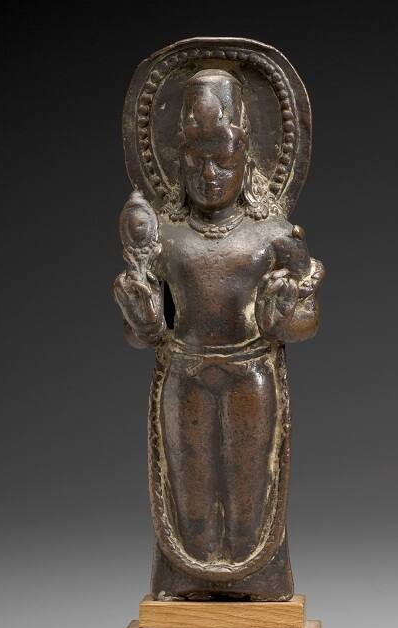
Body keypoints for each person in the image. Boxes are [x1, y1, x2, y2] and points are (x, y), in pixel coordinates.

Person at [114, 69, 324, 600]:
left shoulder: (273, 236)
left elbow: (307, 320)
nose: (210, 174)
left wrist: (285, 316)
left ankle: (259, 577)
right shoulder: (165, 238)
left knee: (251, 495)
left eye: (223, 162)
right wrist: (143, 319)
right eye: (196, 161)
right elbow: (143, 335)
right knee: (189, 496)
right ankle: (185, 578)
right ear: (178, 161)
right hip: (184, 373)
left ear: (246, 158)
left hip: (251, 373)